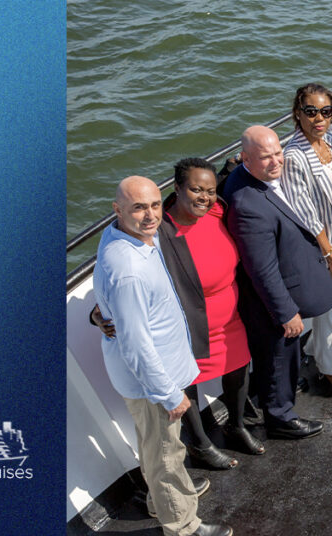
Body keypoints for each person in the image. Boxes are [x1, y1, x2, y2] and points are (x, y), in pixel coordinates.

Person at [92, 158, 265, 463]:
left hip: (231, 316)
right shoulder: (160, 230)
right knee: (189, 380)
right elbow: (123, 278)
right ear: (177, 190)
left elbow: (221, 188)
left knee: (239, 370)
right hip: (190, 322)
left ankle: (236, 426)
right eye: (196, 190)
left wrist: (229, 170)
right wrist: (97, 314)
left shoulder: (217, 210)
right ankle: (200, 442)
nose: (204, 197)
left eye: (209, 191)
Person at [93, 175, 231, 536]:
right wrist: (169, 394)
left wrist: (100, 312)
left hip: (153, 376)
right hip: (154, 382)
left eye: (155, 205)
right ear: (118, 209)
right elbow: (136, 345)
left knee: (156, 448)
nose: (150, 215)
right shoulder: (130, 271)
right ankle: (182, 524)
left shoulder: (121, 236)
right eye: (138, 208)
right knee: (167, 455)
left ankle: (165, 497)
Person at [220, 126, 332, 439]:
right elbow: (262, 269)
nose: (275, 162)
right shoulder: (247, 205)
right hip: (272, 304)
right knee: (277, 359)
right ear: (244, 158)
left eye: (277, 153)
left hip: (286, 289)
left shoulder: (262, 179)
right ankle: (280, 418)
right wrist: (285, 312)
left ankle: (279, 400)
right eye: (265, 157)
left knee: (284, 358)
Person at [279, 83, 332, 393]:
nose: (318, 118)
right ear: (297, 114)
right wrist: (330, 257)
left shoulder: (331, 143)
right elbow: (307, 214)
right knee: (328, 308)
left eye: (325, 111)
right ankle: (330, 369)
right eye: (310, 112)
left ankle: (316, 350)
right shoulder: (295, 157)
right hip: (322, 244)